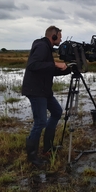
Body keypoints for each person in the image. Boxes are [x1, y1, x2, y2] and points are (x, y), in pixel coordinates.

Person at [22, 26, 71, 167]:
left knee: (57, 112)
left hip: (44, 90)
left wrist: (67, 70)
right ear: (53, 36)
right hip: (36, 90)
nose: (61, 40)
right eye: (60, 37)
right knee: (40, 122)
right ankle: (32, 157)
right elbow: (33, 65)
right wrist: (56, 63)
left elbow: (47, 70)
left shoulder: (47, 48)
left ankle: (48, 148)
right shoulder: (42, 46)